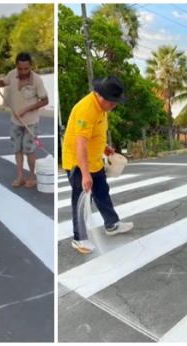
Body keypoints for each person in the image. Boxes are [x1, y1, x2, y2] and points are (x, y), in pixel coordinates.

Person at [61, 76, 133, 254]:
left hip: (94, 161)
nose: (114, 106)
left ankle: (111, 224)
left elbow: (95, 135)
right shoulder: (87, 109)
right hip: (78, 163)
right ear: (101, 96)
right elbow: (81, 144)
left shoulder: (102, 108)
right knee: (81, 200)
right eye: (113, 102)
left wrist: (105, 148)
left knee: (102, 193)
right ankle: (79, 239)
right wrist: (85, 175)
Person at [0, 52, 49, 188]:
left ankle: (32, 177)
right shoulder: (12, 74)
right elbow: (2, 83)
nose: (23, 71)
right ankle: (20, 177)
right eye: (20, 69)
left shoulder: (37, 80)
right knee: (17, 149)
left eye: (26, 69)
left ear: (30, 66)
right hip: (15, 121)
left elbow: (45, 100)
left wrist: (26, 109)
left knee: (29, 150)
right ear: (16, 66)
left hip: (31, 122)